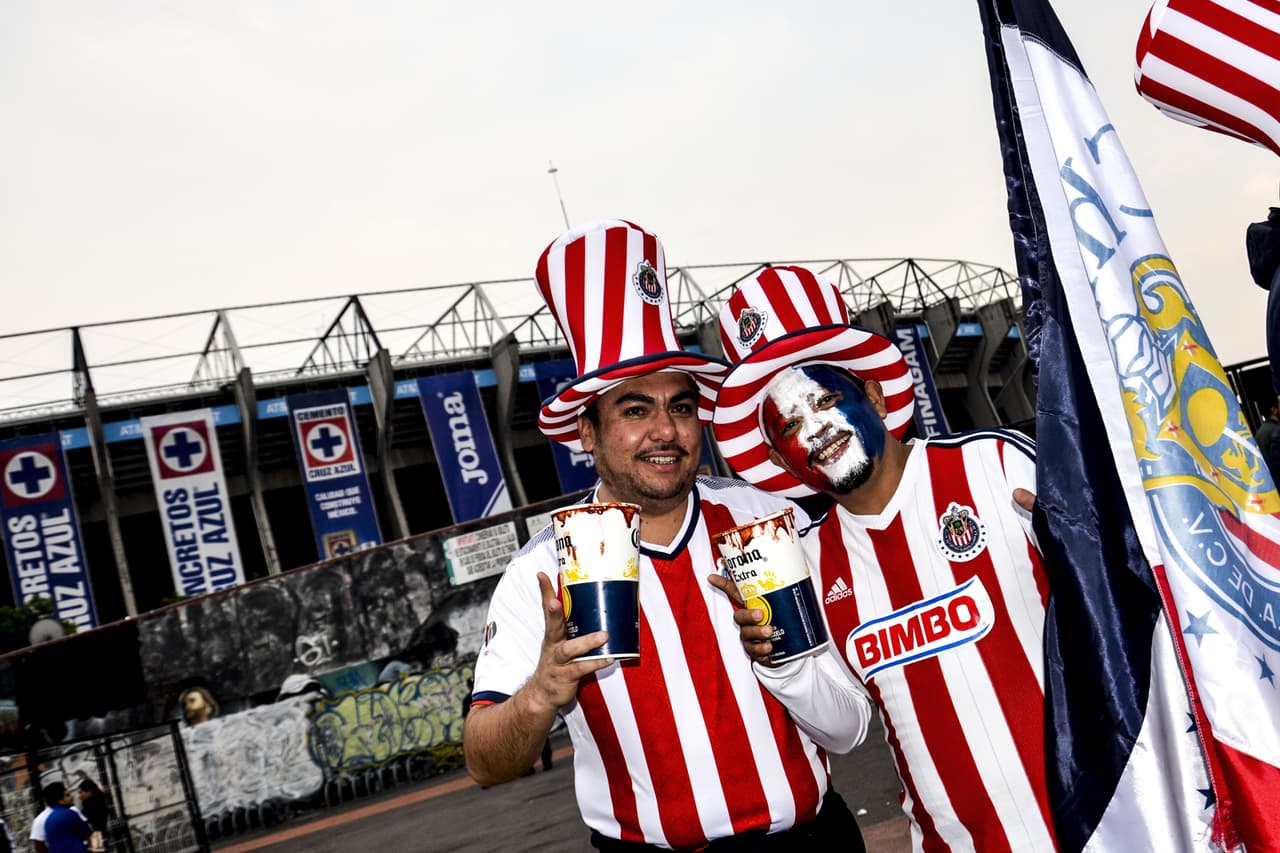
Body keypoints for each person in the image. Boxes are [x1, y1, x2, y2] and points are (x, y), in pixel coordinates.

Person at [464, 221, 869, 851]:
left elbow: (849, 732)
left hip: (810, 841)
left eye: (680, 406)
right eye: (634, 409)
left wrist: (784, 661)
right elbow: (486, 762)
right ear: (587, 434)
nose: (667, 430)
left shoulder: (770, 519)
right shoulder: (539, 572)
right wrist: (543, 691)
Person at [708, 266, 1055, 851]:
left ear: (872, 394)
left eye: (823, 400)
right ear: (779, 458)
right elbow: (846, 730)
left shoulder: (998, 467)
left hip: (1103, 821)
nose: (815, 429)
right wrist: (779, 660)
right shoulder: (811, 561)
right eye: (790, 424)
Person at [75, 779, 109, 852]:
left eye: (81, 792)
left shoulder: (91, 804)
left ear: (89, 791)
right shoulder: (99, 799)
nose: (80, 796)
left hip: (96, 836)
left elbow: (87, 821)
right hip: (101, 835)